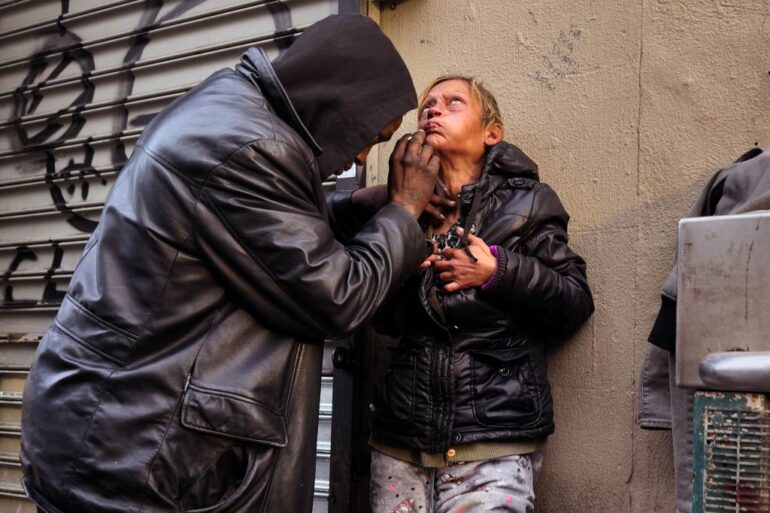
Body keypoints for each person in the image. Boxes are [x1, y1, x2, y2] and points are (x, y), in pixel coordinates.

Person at [19, 15, 440, 513]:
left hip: (111, 430)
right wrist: (404, 211)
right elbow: (335, 296)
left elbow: (248, 237)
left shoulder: (236, 112)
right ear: (339, 99)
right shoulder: (252, 145)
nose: (362, 153)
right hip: (128, 451)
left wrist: (354, 209)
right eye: (372, 132)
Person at [367, 75, 595, 513]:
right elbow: (382, 321)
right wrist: (403, 271)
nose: (433, 109)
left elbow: (574, 301)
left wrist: (497, 272)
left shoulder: (528, 202)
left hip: (491, 443)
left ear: (492, 133)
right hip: (401, 442)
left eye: (453, 102)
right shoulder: (404, 209)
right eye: (427, 105)